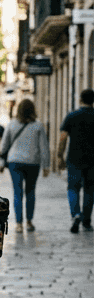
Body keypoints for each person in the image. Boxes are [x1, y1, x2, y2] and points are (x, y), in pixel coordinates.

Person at [0, 98, 49, 232]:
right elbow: (44, 147)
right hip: (33, 163)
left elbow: (4, 145)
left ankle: (19, 224)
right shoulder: (38, 125)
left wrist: (2, 163)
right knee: (30, 192)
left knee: (17, 192)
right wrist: (46, 166)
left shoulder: (12, 124)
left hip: (15, 162)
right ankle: (29, 222)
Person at [56, 88, 94, 233]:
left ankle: (76, 214)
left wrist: (60, 155)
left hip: (74, 159)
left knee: (73, 188)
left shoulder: (72, 116)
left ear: (80, 100)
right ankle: (87, 220)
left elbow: (63, 137)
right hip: (92, 160)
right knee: (90, 190)